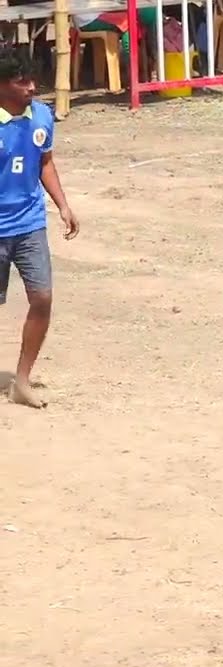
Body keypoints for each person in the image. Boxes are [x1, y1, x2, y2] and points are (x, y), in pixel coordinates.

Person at [0, 44, 78, 408]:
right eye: (22, 81)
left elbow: (44, 161)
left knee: (42, 297)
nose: (32, 87)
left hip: (30, 223)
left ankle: (22, 381)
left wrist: (62, 205)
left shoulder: (42, 116)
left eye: (33, 79)